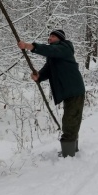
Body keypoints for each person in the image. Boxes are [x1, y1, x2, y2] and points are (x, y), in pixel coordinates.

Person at [18, 29, 85, 157]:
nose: (50, 39)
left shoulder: (65, 48)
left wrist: (29, 46)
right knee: (71, 119)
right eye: (49, 37)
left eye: (52, 37)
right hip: (68, 91)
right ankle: (72, 148)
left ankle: (68, 153)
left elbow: (51, 50)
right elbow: (48, 70)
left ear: (60, 39)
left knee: (70, 120)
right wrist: (39, 76)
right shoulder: (54, 56)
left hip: (74, 89)